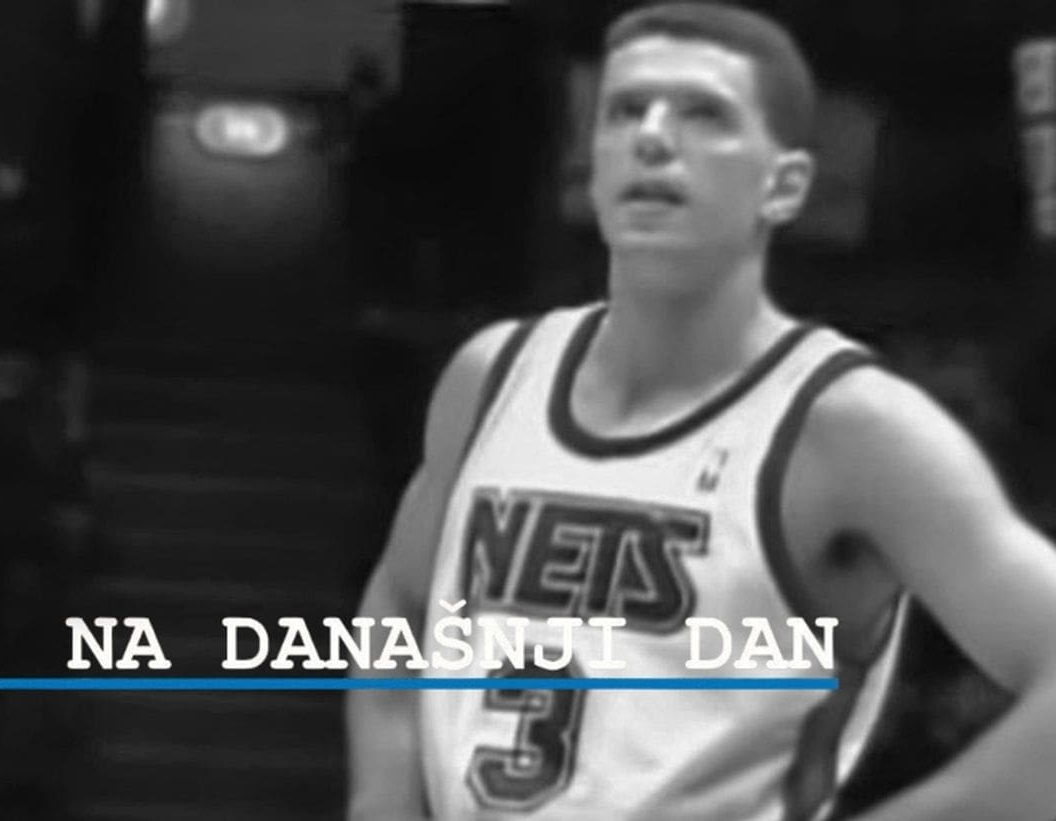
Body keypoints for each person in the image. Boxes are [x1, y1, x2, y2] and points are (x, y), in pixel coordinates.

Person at [346, 3, 1056, 819]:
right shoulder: (490, 376)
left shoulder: (851, 427)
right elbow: (397, 606)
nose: (652, 138)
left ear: (785, 184)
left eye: (704, 115)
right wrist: (382, 800)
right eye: (625, 111)